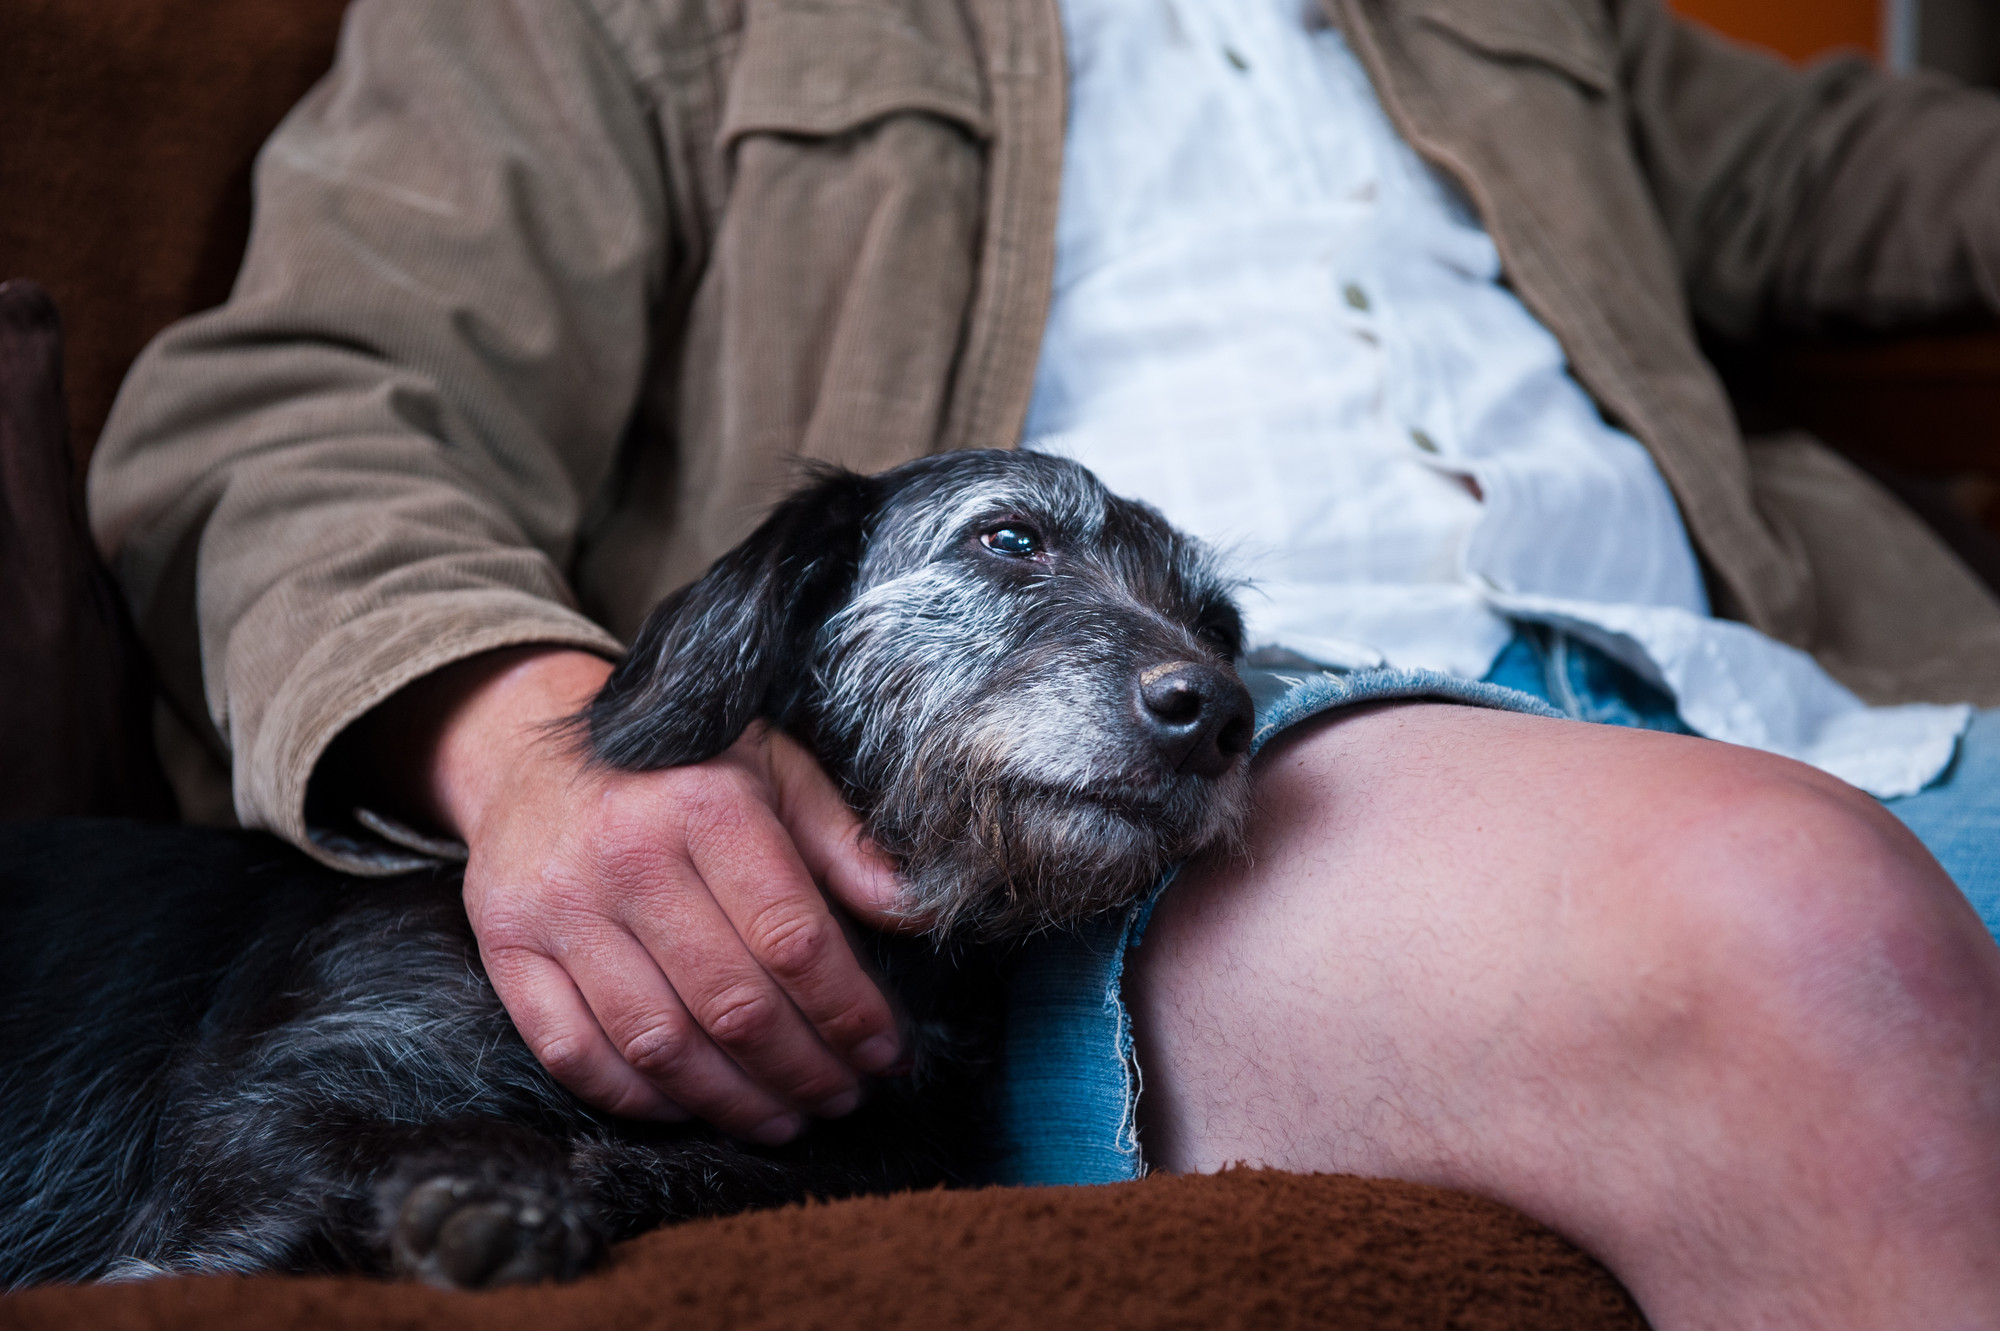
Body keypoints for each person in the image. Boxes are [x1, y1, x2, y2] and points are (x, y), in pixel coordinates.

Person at [87, 0, 2000, 1324]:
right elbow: (288, 414)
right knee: (1786, 936)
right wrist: (535, 745)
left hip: (1801, 692)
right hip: (1254, 778)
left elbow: (1830, 164)